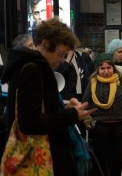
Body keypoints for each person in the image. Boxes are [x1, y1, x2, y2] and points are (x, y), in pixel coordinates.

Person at [1, 18, 96, 175]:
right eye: (60, 54)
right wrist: (71, 115)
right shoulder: (33, 69)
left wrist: (64, 107)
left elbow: (36, 108)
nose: (62, 60)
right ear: (45, 45)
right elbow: (29, 122)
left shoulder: (27, 66)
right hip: (41, 161)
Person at [82, 52, 122, 176]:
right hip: (99, 126)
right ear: (97, 69)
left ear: (113, 68)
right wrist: (87, 119)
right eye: (102, 68)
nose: (106, 71)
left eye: (109, 68)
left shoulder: (120, 81)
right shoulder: (93, 82)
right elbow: (84, 103)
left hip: (119, 127)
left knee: (117, 159)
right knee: (100, 158)